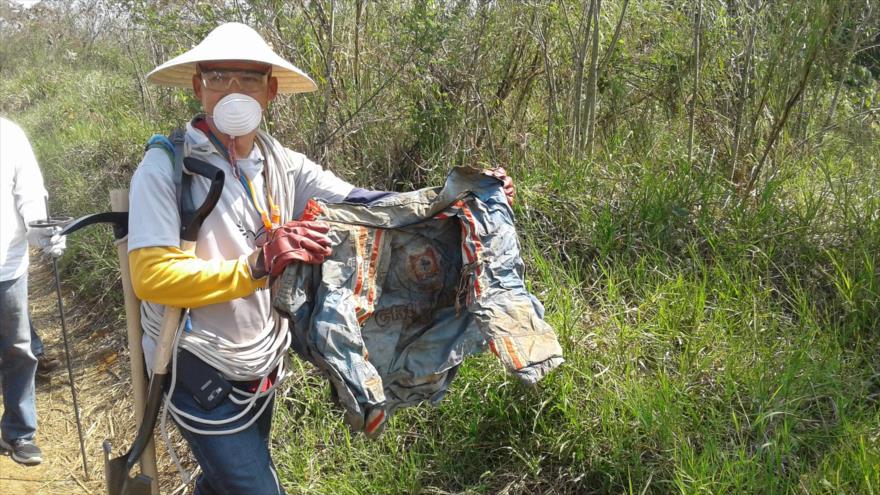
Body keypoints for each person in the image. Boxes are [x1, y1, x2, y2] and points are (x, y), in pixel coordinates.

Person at [129, 23, 513, 494]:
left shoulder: (280, 163)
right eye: (218, 77)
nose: (233, 92)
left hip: (263, 362)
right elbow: (151, 276)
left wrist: (461, 197)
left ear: (270, 90)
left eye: (248, 79)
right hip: (198, 366)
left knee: (224, 483)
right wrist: (256, 266)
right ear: (197, 85)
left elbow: (366, 202)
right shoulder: (166, 167)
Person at [0, 116, 67, 465]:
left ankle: (19, 433)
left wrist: (41, 232)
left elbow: (29, 192)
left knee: (17, 350)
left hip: (6, 267)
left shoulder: (9, 135)